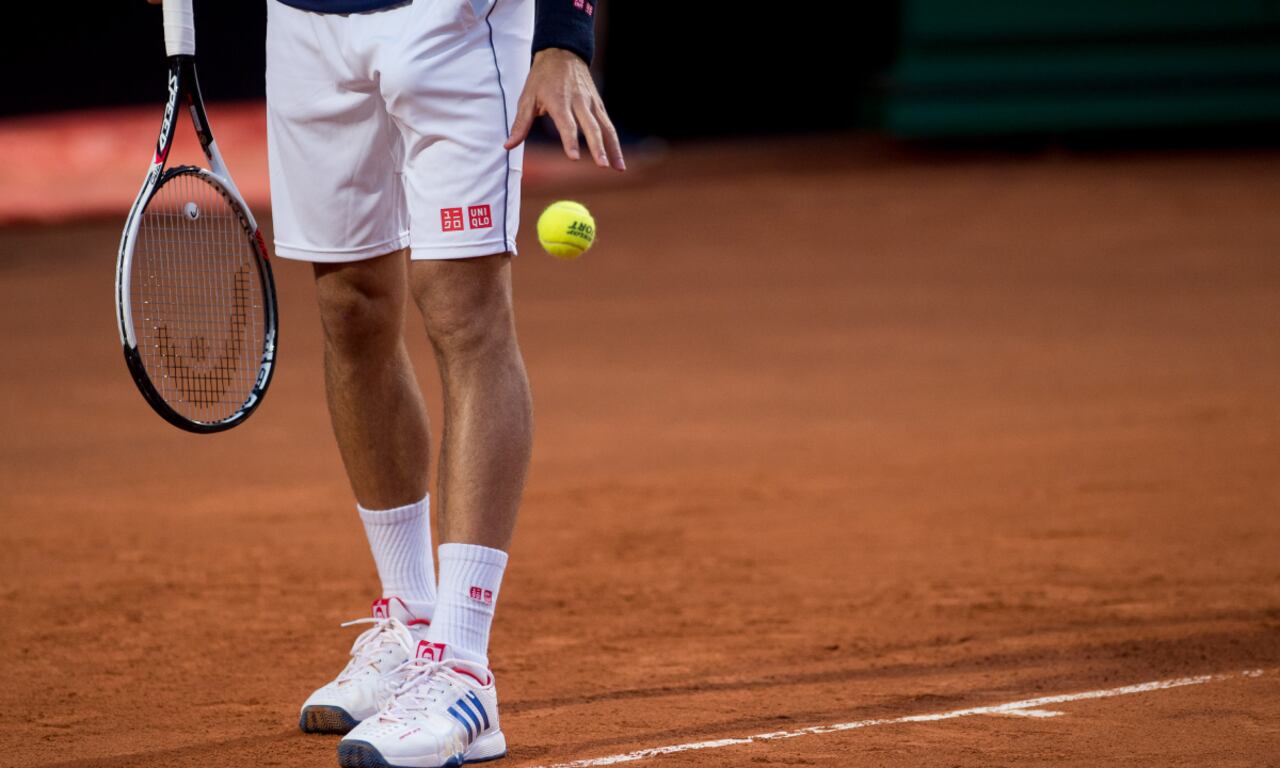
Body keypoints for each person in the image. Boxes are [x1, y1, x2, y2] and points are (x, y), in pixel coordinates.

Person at [147, 0, 624, 765]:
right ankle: (410, 617)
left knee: (464, 313)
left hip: (455, 21)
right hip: (308, 23)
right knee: (350, 307)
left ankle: (463, 667)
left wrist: (564, 36)